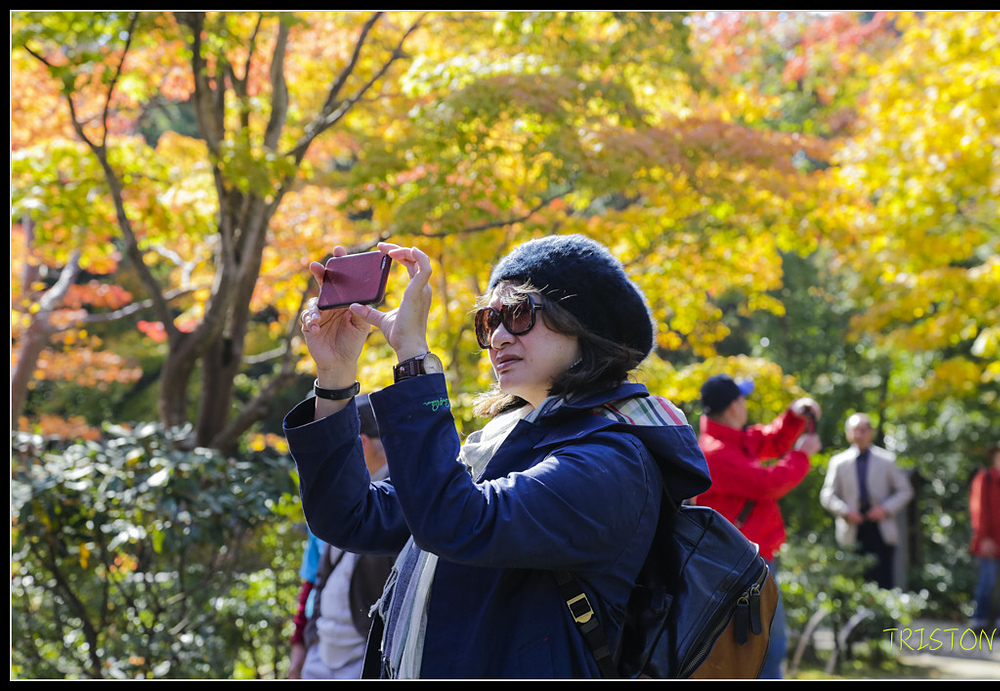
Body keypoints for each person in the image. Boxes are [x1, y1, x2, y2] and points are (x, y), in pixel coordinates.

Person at [283, 234, 712, 679]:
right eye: (490, 321)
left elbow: (458, 521)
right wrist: (334, 378)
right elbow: (353, 516)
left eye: (520, 314)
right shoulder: (499, 443)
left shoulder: (614, 460)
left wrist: (414, 360)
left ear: (585, 325)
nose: (499, 337)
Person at [692, 373, 821, 679]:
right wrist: (802, 456)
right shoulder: (717, 452)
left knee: (759, 647)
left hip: (750, 561)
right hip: (743, 566)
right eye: (742, 398)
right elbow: (768, 484)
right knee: (766, 648)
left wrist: (794, 415)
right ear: (734, 406)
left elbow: (772, 440)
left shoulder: (731, 440)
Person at [288, 395, 395, 679]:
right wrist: (305, 641)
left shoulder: (403, 505)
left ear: (359, 444)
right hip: (320, 654)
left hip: (366, 659)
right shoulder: (334, 504)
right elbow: (315, 580)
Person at [819, 413, 914, 590]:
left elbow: (905, 490)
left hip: (880, 527)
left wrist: (884, 509)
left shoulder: (887, 460)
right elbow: (827, 495)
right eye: (855, 430)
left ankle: (884, 616)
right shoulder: (838, 462)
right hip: (852, 527)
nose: (859, 434)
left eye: (863, 430)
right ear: (848, 433)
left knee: (883, 578)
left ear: (871, 432)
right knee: (854, 580)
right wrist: (845, 511)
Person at [968, 436, 1000, 635]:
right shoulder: (986, 478)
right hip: (992, 539)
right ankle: (980, 621)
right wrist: (984, 537)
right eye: (999, 457)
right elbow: (978, 510)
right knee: (988, 581)